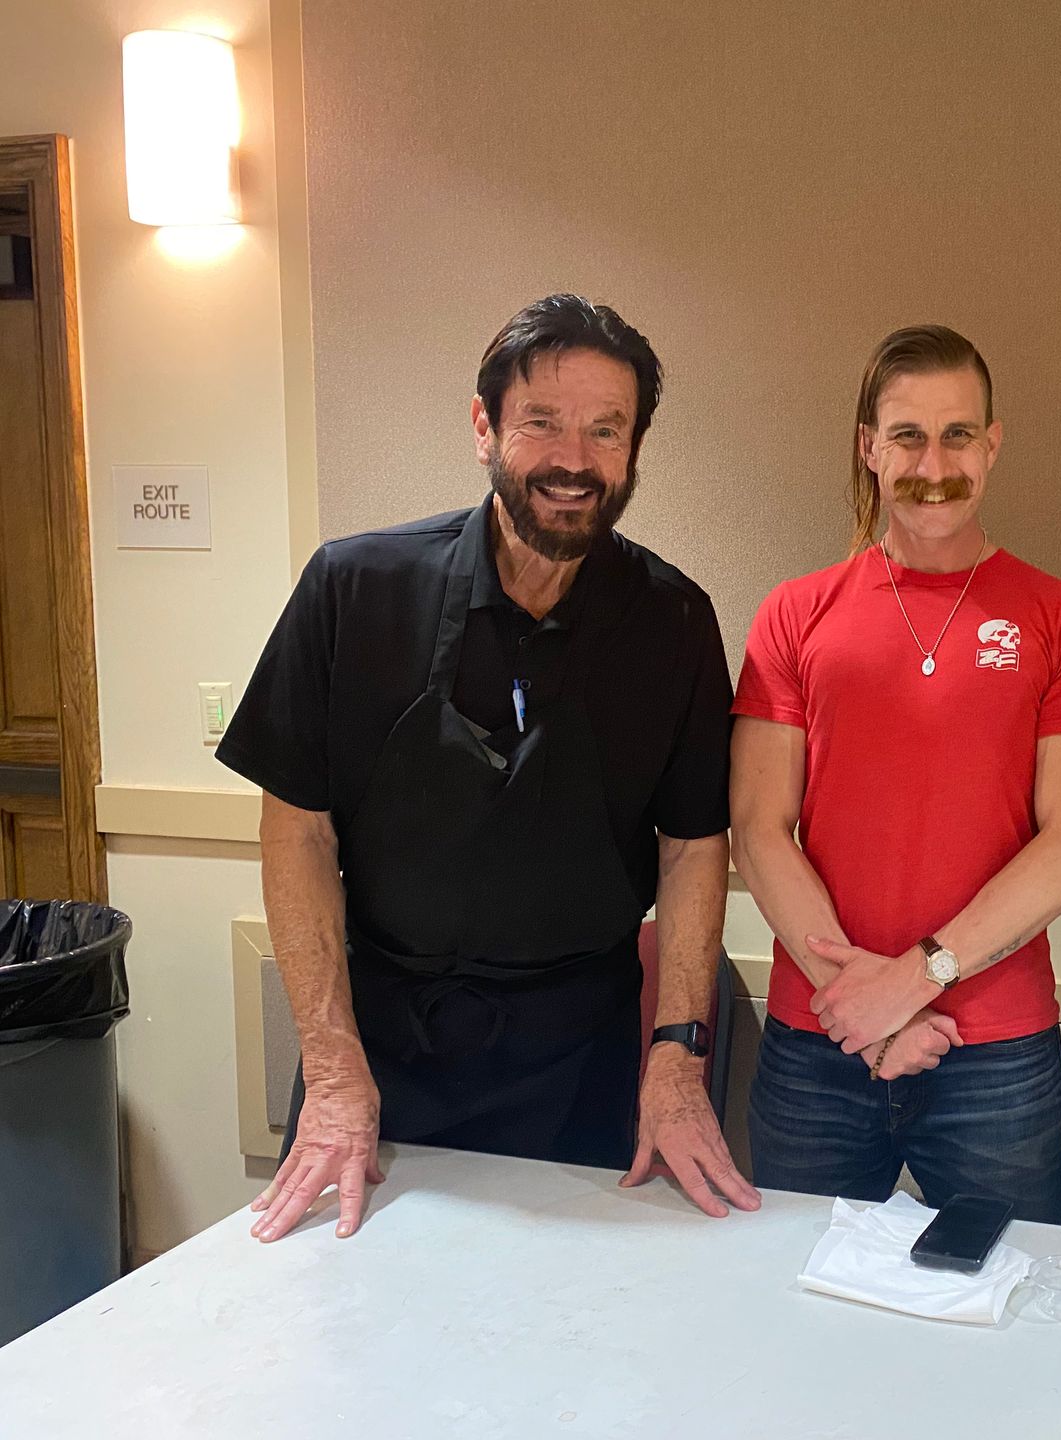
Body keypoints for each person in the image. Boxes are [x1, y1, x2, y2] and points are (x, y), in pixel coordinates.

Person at [218, 294, 759, 1240]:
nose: (574, 459)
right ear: (484, 426)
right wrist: (334, 1071)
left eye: (606, 429)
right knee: (353, 1308)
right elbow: (297, 830)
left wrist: (676, 1061)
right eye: (541, 422)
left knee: (570, 1318)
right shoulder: (354, 589)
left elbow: (691, 848)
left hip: (578, 1063)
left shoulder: (673, 621)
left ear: (634, 448)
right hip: (376, 1057)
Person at [729, 324, 1061, 1223]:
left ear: (993, 445)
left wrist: (912, 983)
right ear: (869, 447)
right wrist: (860, 1013)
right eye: (907, 436)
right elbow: (757, 831)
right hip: (817, 1047)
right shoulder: (794, 614)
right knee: (795, 1292)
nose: (933, 464)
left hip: (996, 1060)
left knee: (1009, 1292)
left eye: (958, 435)